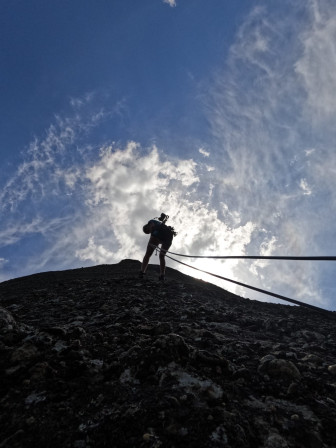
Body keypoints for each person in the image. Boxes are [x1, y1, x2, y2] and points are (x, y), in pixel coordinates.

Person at [140, 217, 175, 281]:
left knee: (149, 254)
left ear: (147, 226)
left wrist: (152, 237)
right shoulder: (154, 227)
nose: (149, 232)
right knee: (161, 256)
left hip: (163, 236)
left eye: (148, 230)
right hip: (167, 236)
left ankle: (142, 272)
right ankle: (162, 275)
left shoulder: (150, 222)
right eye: (148, 232)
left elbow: (152, 226)